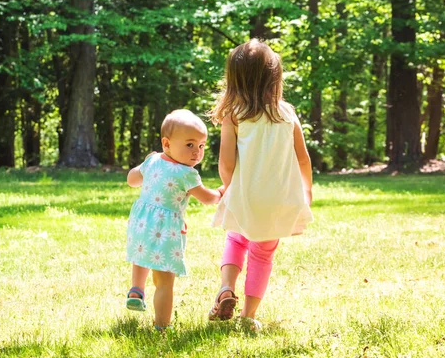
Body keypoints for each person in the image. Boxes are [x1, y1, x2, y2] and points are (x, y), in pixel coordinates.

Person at [207, 39, 314, 330]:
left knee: (236, 238)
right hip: (278, 199)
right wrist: (307, 192)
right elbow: (303, 159)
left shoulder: (235, 115)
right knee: (263, 254)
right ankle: (249, 315)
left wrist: (230, 188)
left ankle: (226, 288)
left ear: (235, 79)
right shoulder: (287, 113)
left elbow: (226, 162)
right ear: (274, 78)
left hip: (246, 195)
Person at [125, 109, 224, 330]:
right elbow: (207, 199)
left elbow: (132, 180)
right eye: (189, 145)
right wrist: (220, 193)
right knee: (164, 281)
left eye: (201, 146)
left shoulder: (152, 161)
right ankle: (162, 326)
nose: (197, 152)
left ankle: (136, 289)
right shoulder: (187, 174)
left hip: (141, 222)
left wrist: (145, 165)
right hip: (164, 228)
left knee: (142, 254)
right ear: (167, 144)